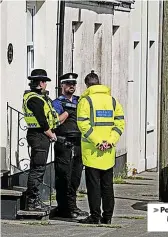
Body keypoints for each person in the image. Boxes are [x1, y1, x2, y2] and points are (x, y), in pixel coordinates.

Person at [77, 70, 125, 224]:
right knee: (107, 186)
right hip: (108, 151)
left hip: (92, 151)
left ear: (87, 85)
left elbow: (83, 125)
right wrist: (110, 141)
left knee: (94, 187)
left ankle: (95, 216)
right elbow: (120, 124)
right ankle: (108, 217)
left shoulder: (85, 101)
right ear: (98, 83)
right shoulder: (113, 101)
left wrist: (98, 142)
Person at [52, 73, 89, 218]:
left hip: (78, 143)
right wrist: (67, 112)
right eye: (68, 83)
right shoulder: (57, 103)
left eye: (73, 83)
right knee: (63, 176)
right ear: (62, 86)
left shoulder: (80, 101)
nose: (71, 86)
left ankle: (72, 206)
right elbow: (54, 122)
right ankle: (63, 208)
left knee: (75, 177)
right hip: (64, 143)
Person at [22, 69, 59, 211]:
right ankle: (32, 202)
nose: (44, 84)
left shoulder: (37, 97)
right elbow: (42, 120)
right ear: (39, 83)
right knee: (37, 170)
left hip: (38, 135)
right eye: (43, 81)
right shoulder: (35, 99)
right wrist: (51, 134)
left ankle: (33, 200)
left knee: (38, 168)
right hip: (39, 135)